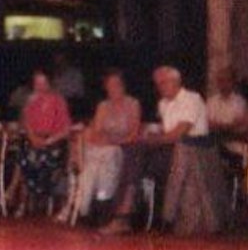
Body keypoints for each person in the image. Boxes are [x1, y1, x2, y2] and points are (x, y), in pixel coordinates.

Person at [143, 66, 229, 235]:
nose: (159, 87)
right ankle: (140, 215)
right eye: (157, 84)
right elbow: (166, 130)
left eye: (163, 83)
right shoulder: (163, 104)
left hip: (196, 151)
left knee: (165, 160)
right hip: (171, 148)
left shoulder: (192, 99)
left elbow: (179, 133)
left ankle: (165, 218)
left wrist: (155, 140)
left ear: (175, 82)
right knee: (138, 155)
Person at [83, 70, 144, 226]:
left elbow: (134, 133)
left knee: (110, 159)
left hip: (125, 145)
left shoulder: (133, 104)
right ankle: (94, 206)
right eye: (109, 86)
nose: (113, 88)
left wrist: (114, 141)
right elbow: (97, 132)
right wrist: (104, 141)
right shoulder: (103, 106)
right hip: (104, 147)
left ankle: (108, 209)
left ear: (123, 86)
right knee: (97, 162)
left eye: (116, 85)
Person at [16, 70, 73, 214]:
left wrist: (48, 141)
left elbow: (66, 129)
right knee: (24, 156)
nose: (39, 87)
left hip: (53, 141)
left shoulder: (58, 101)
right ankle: (22, 203)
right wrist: (33, 137)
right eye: (37, 83)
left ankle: (44, 197)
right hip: (34, 139)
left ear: (49, 84)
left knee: (45, 158)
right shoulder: (31, 101)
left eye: (43, 83)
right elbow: (25, 124)